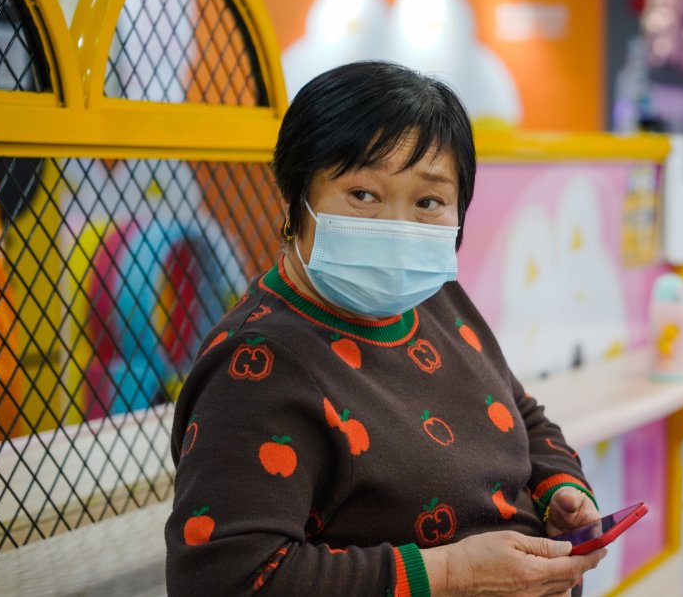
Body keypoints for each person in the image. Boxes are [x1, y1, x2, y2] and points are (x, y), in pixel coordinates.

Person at [165, 62, 604, 596]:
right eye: (363, 195)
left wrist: (562, 491)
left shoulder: (437, 298)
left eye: (428, 202)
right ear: (295, 198)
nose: (399, 227)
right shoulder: (257, 364)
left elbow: (521, 414)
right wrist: (451, 575)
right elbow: (225, 579)